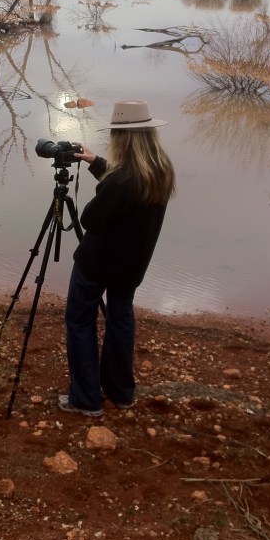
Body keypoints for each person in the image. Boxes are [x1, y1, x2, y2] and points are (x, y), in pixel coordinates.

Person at [58, 100, 176, 417]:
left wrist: (105, 178)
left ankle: (86, 399)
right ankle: (121, 392)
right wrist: (97, 163)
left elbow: (90, 219)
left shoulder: (121, 181)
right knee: (120, 319)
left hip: (96, 264)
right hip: (132, 267)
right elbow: (125, 193)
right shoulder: (160, 171)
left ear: (123, 137)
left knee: (80, 322)